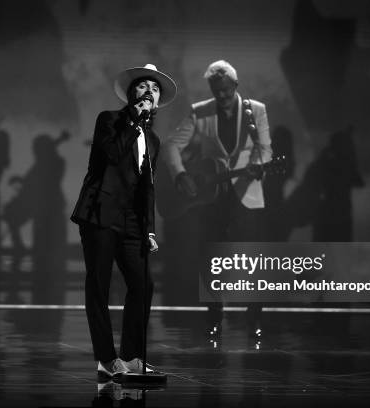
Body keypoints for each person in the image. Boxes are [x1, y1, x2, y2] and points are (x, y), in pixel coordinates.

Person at [71, 64, 177, 379]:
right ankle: (106, 359)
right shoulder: (109, 120)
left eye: (155, 89)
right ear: (132, 94)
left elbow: (148, 186)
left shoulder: (154, 140)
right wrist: (134, 121)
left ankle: (131, 357)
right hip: (100, 213)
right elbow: (114, 154)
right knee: (99, 285)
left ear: (159, 101)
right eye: (143, 87)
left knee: (143, 284)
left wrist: (150, 228)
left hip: (132, 221)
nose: (149, 92)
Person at [162, 60, 272, 338]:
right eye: (216, 90)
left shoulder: (255, 111)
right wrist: (180, 175)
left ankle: (254, 319)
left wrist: (259, 165)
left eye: (225, 89)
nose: (221, 95)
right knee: (213, 259)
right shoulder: (200, 112)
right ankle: (214, 318)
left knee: (252, 261)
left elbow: (265, 147)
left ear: (235, 86)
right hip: (212, 198)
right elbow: (172, 144)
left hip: (247, 194)